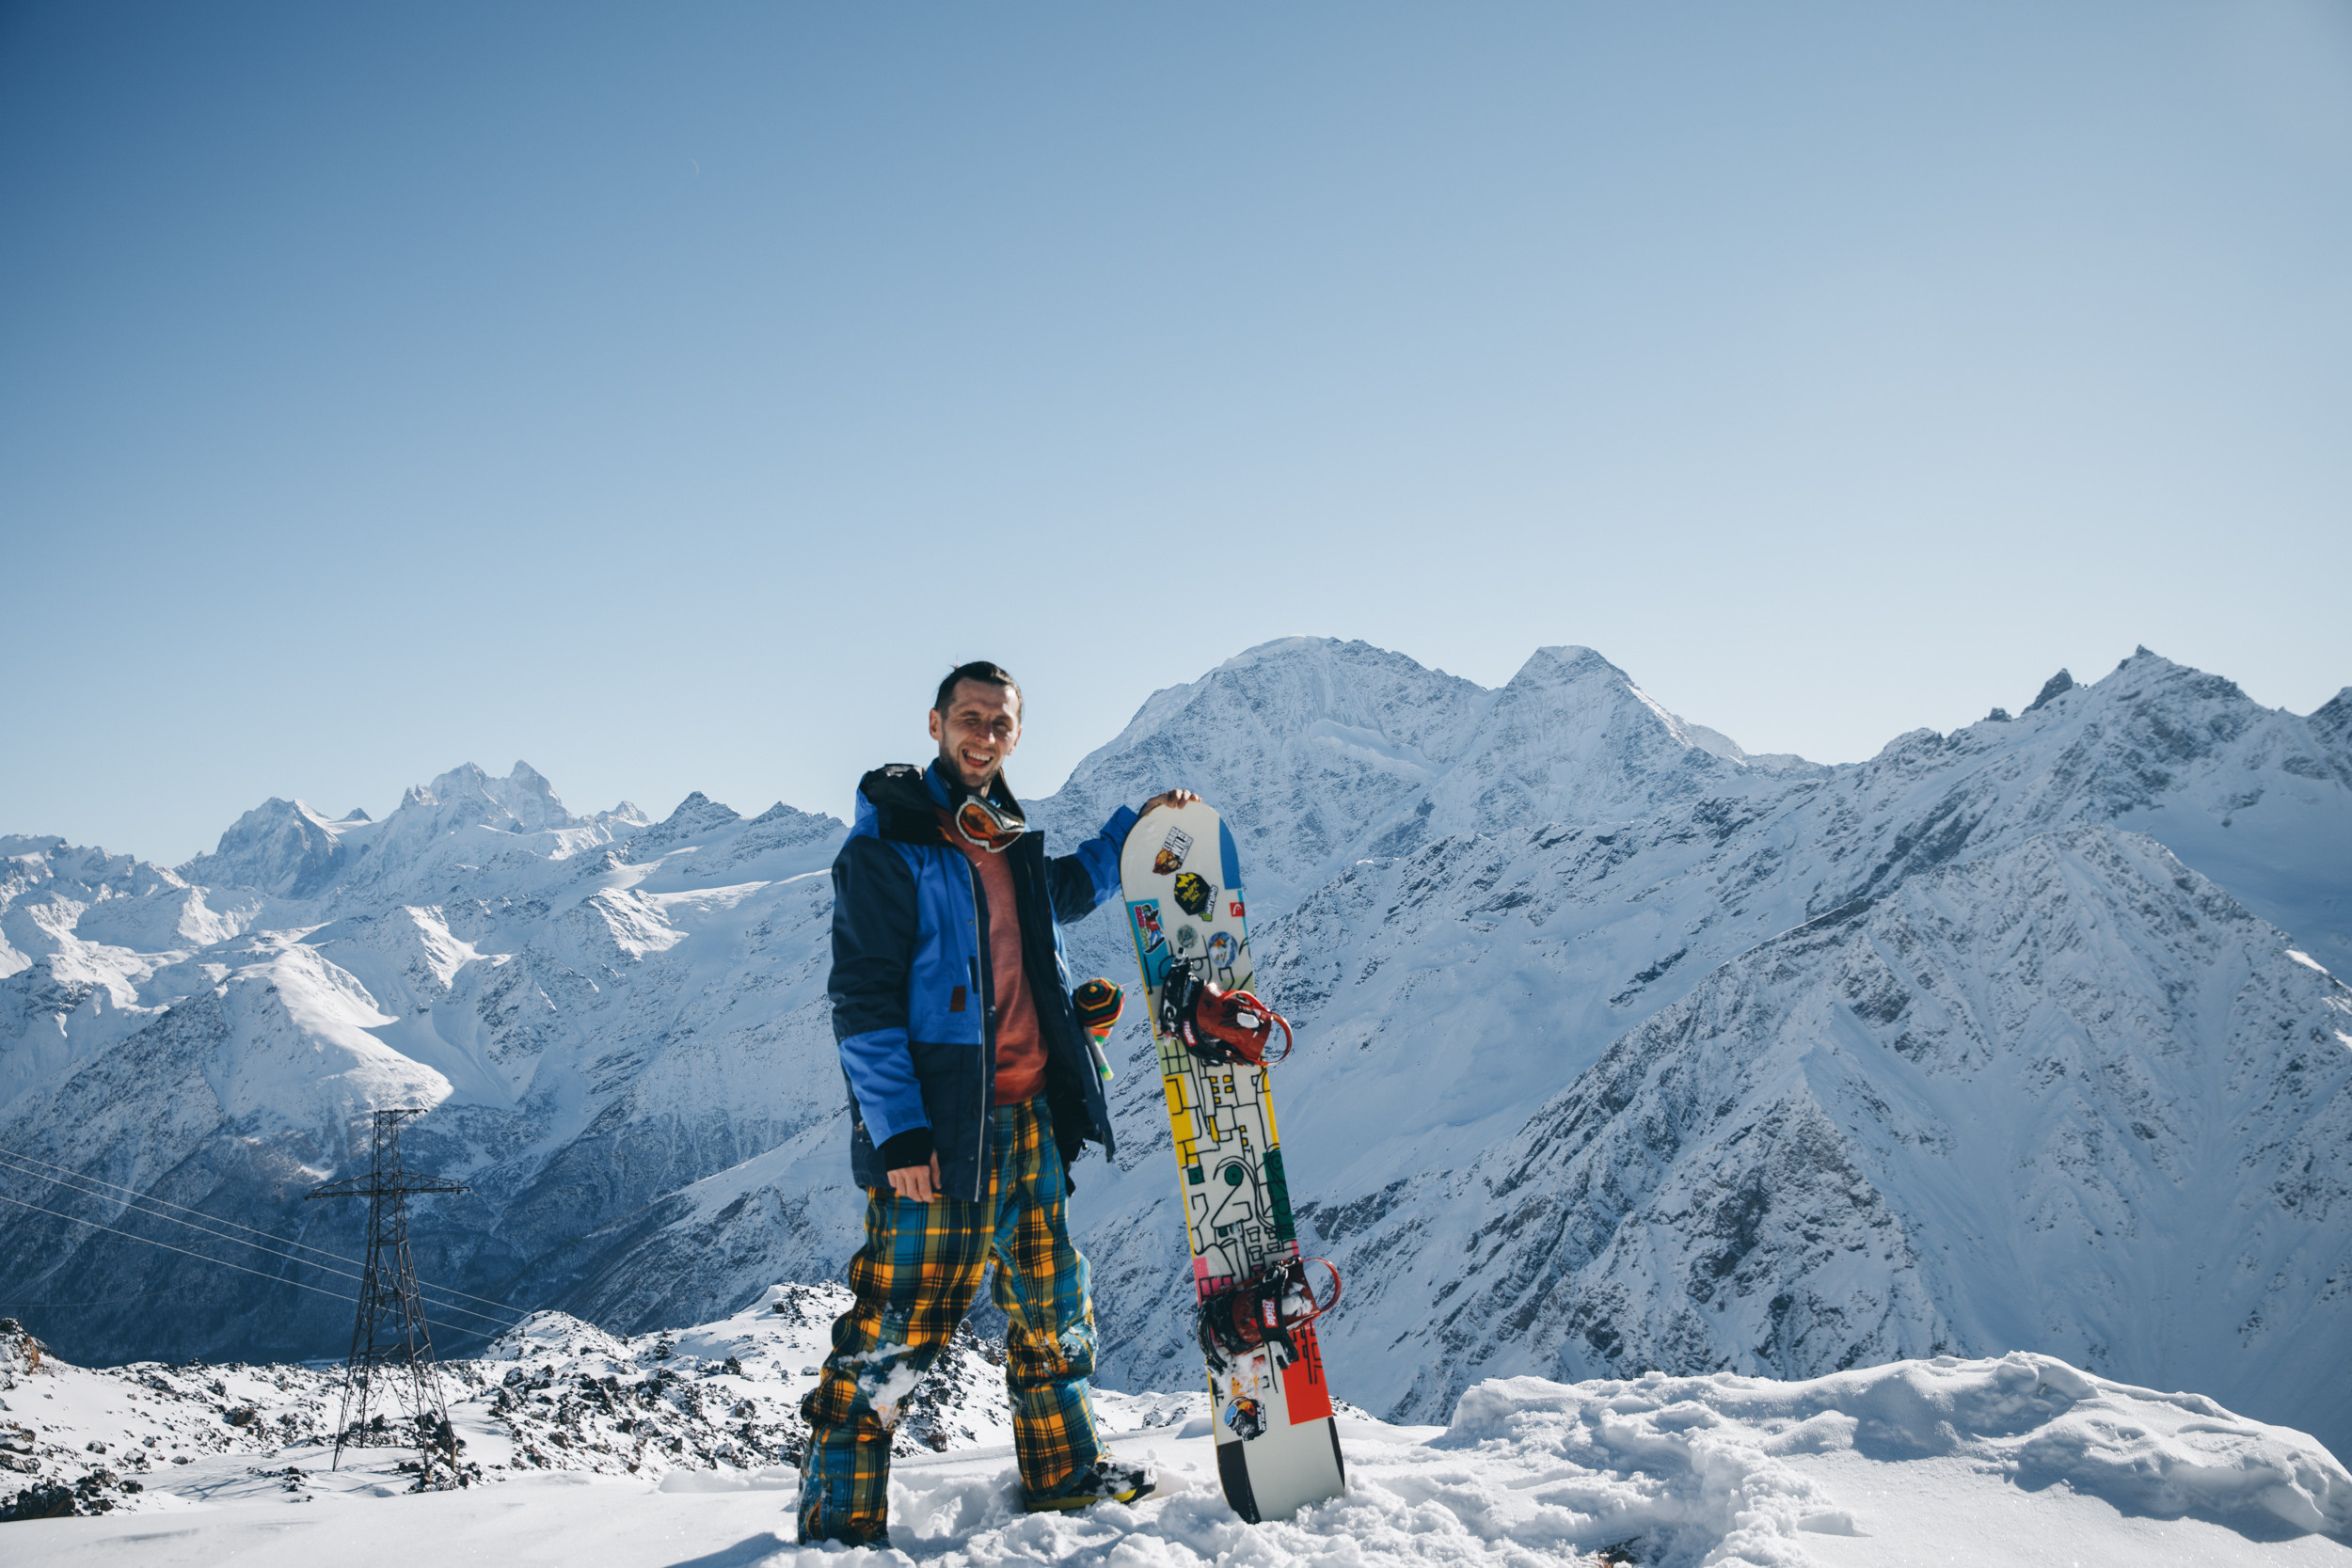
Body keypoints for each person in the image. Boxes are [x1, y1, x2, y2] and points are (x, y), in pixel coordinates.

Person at [798, 659, 1196, 1547]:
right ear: (936, 723)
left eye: (1001, 722)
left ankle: (1064, 1475)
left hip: (1028, 1123)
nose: (984, 734)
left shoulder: (1009, 840)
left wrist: (1139, 827)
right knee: (894, 1329)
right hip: (939, 1136)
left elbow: (1070, 892)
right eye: (970, 717)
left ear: (1015, 735)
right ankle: (838, 1525)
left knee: (1054, 1309)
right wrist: (899, 1131)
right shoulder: (886, 850)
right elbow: (861, 1003)